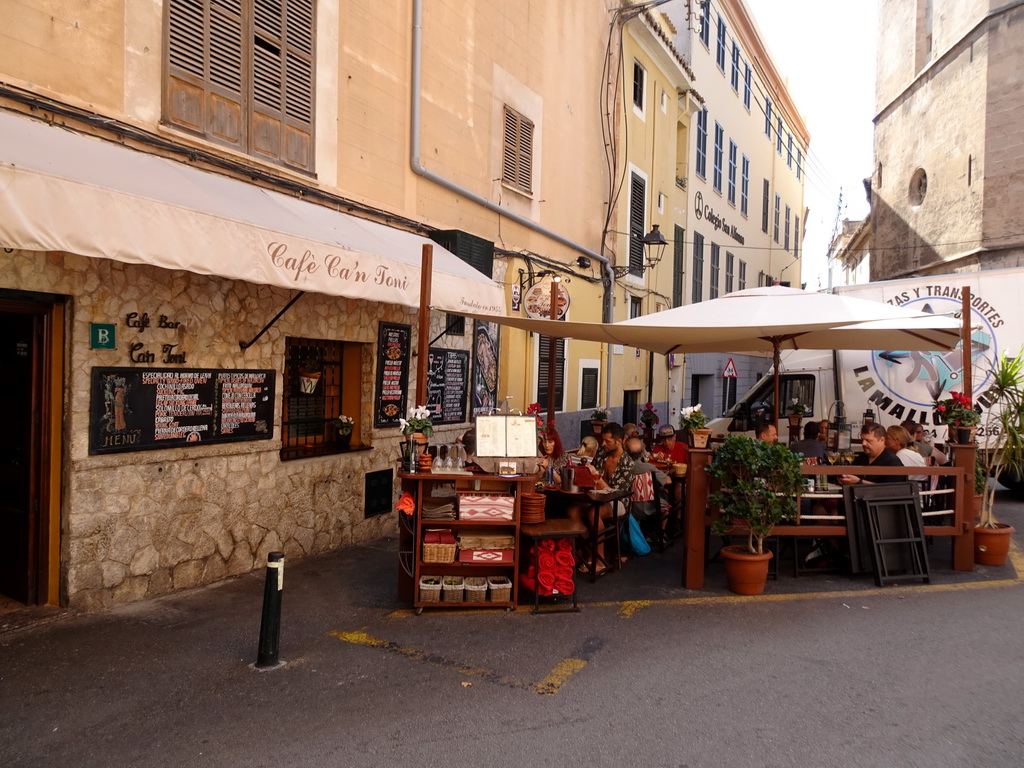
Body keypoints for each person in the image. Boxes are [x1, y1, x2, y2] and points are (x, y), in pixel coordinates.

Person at [571, 422, 635, 574]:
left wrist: (597, 478)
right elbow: (592, 479)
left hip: (619, 501)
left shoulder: (627, 463)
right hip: (597, 497)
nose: (603, 443)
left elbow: (617, 493)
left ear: (619, 441)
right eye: (603, 440)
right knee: (572, 512)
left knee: (594, 513)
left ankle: (599, 559)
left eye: (607, 441)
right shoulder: (601, 454)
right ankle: (589, 551)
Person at [626, 436, 670, 544]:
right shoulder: (649, 468)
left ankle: (644, 532)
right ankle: (660, 533)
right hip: (650, 506)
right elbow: (668, 481)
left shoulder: (624, 468)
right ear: (642, 453)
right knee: (665, 502)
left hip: (630, 507)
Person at [838, 422, 904, 485]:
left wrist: (859, 482)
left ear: (882, 440)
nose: (863, 444)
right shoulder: (861, 458)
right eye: (862, 440)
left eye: (869, 441)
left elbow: (891, 490)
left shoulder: (892, 462)